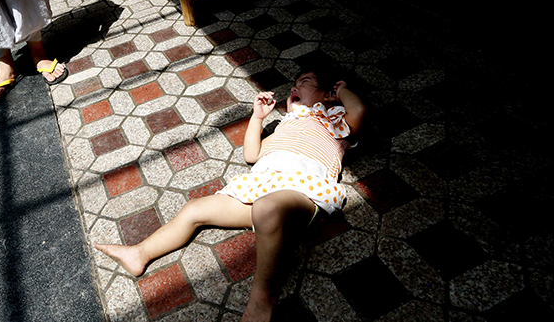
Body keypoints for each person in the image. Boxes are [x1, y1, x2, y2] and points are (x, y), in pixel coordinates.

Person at [95, 67, 366, 321]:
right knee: (194, 210)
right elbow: (252, 154)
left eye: (305, 83)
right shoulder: (286, 125)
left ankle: (262, 299)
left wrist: (341, 90)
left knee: (267, 209)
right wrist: (257, 117)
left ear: (327, 94)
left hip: (303, 192)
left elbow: (359, 109)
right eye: (294, 84)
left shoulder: (334, 123)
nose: (294, 87)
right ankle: (139, 253)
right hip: (262, 187)